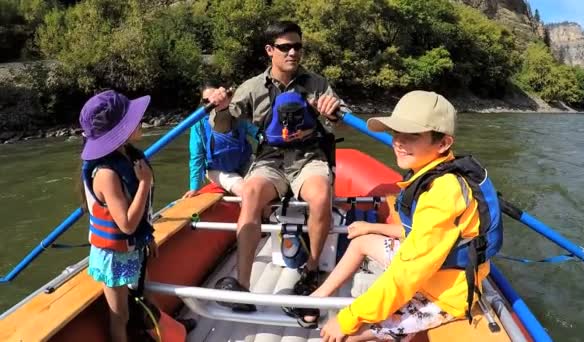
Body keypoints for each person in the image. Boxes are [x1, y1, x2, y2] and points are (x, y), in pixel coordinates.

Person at [294, 91, 502, 341]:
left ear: (443, 143)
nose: (398, 142)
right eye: (395, 133)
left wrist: (348, 317)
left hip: (443, 294)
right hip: (432, 272)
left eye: (412, 136)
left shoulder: (443, 192)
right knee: (362, 241)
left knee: (348, 334)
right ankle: (318, 297)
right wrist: (374, 228)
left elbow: (408, 274)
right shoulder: (428, 173)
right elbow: (421, 233)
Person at [206, 20, 350, 312]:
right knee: (251, 193)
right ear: (270, 50)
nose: (293, 53)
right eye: (285, 47)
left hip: (309, 158)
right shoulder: (251, 88)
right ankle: (243, 286)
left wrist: (332, 113)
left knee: (321, 195)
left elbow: (341, 115)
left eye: (297, 46)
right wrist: (220, 108)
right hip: (270, 159)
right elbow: (222, 127)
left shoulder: (318, 84)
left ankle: (310, 272)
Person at [79, 90, 158, 342]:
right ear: (118, 130)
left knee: (146, 295)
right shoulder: (106, 174)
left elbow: (138, 223)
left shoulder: (128, 155)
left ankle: (152, 331)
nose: (141, 120)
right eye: (133, 119)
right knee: (119, 314)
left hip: (134, 247)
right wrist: (144, 183)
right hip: (113, 257)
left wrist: (148, 237)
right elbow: (125, 224)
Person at [183, 84, 259, 198]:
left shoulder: (235, 114)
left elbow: (256, 132)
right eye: (207, 100)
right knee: (248, 192)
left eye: (215, 97)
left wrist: (269, 140)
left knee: (263, 183)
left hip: (245, 162)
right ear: (203, 102)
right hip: (217, 170)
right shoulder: (198, 125)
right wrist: (194, 188)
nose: (212, 102)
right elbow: (196, 156)